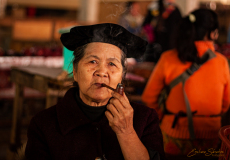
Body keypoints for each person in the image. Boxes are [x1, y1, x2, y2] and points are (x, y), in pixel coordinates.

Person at [25, 23, 165, 160]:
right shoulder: (43, 125)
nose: (102, 72)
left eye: (112, 64)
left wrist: (126, 131)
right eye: (93, 61)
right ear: (75, 70)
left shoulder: (145, 119)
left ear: (122, 75)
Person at [142, 9, 230, 157]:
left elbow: (148, 98)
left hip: (173, 135)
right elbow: (225, 104)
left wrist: (166, 117)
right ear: (212, 33)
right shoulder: (221, 62)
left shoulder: (168, 58)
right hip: (211, 138)